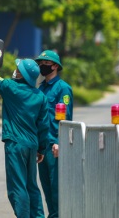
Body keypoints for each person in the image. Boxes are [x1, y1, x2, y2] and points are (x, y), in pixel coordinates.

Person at [0, 40, 58, 218]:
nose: (15, 71)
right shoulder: (40, 97)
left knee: (17, 188)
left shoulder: (11, 89)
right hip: (32, 145)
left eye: (18, 70)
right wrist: (42, 149)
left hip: (15, 145)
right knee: (31, 186)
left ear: (22, 75)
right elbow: (43, 126)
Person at [35, 49, 73, 218]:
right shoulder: (40, 88)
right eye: (40, 64)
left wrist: (60, 141)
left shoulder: (63, 89)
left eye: (46, 64)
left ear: (55, 66)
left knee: (57, 188)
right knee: (47, 188)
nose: (42, 67)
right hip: (42, 146)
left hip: (54, 146)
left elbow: (66, 119)